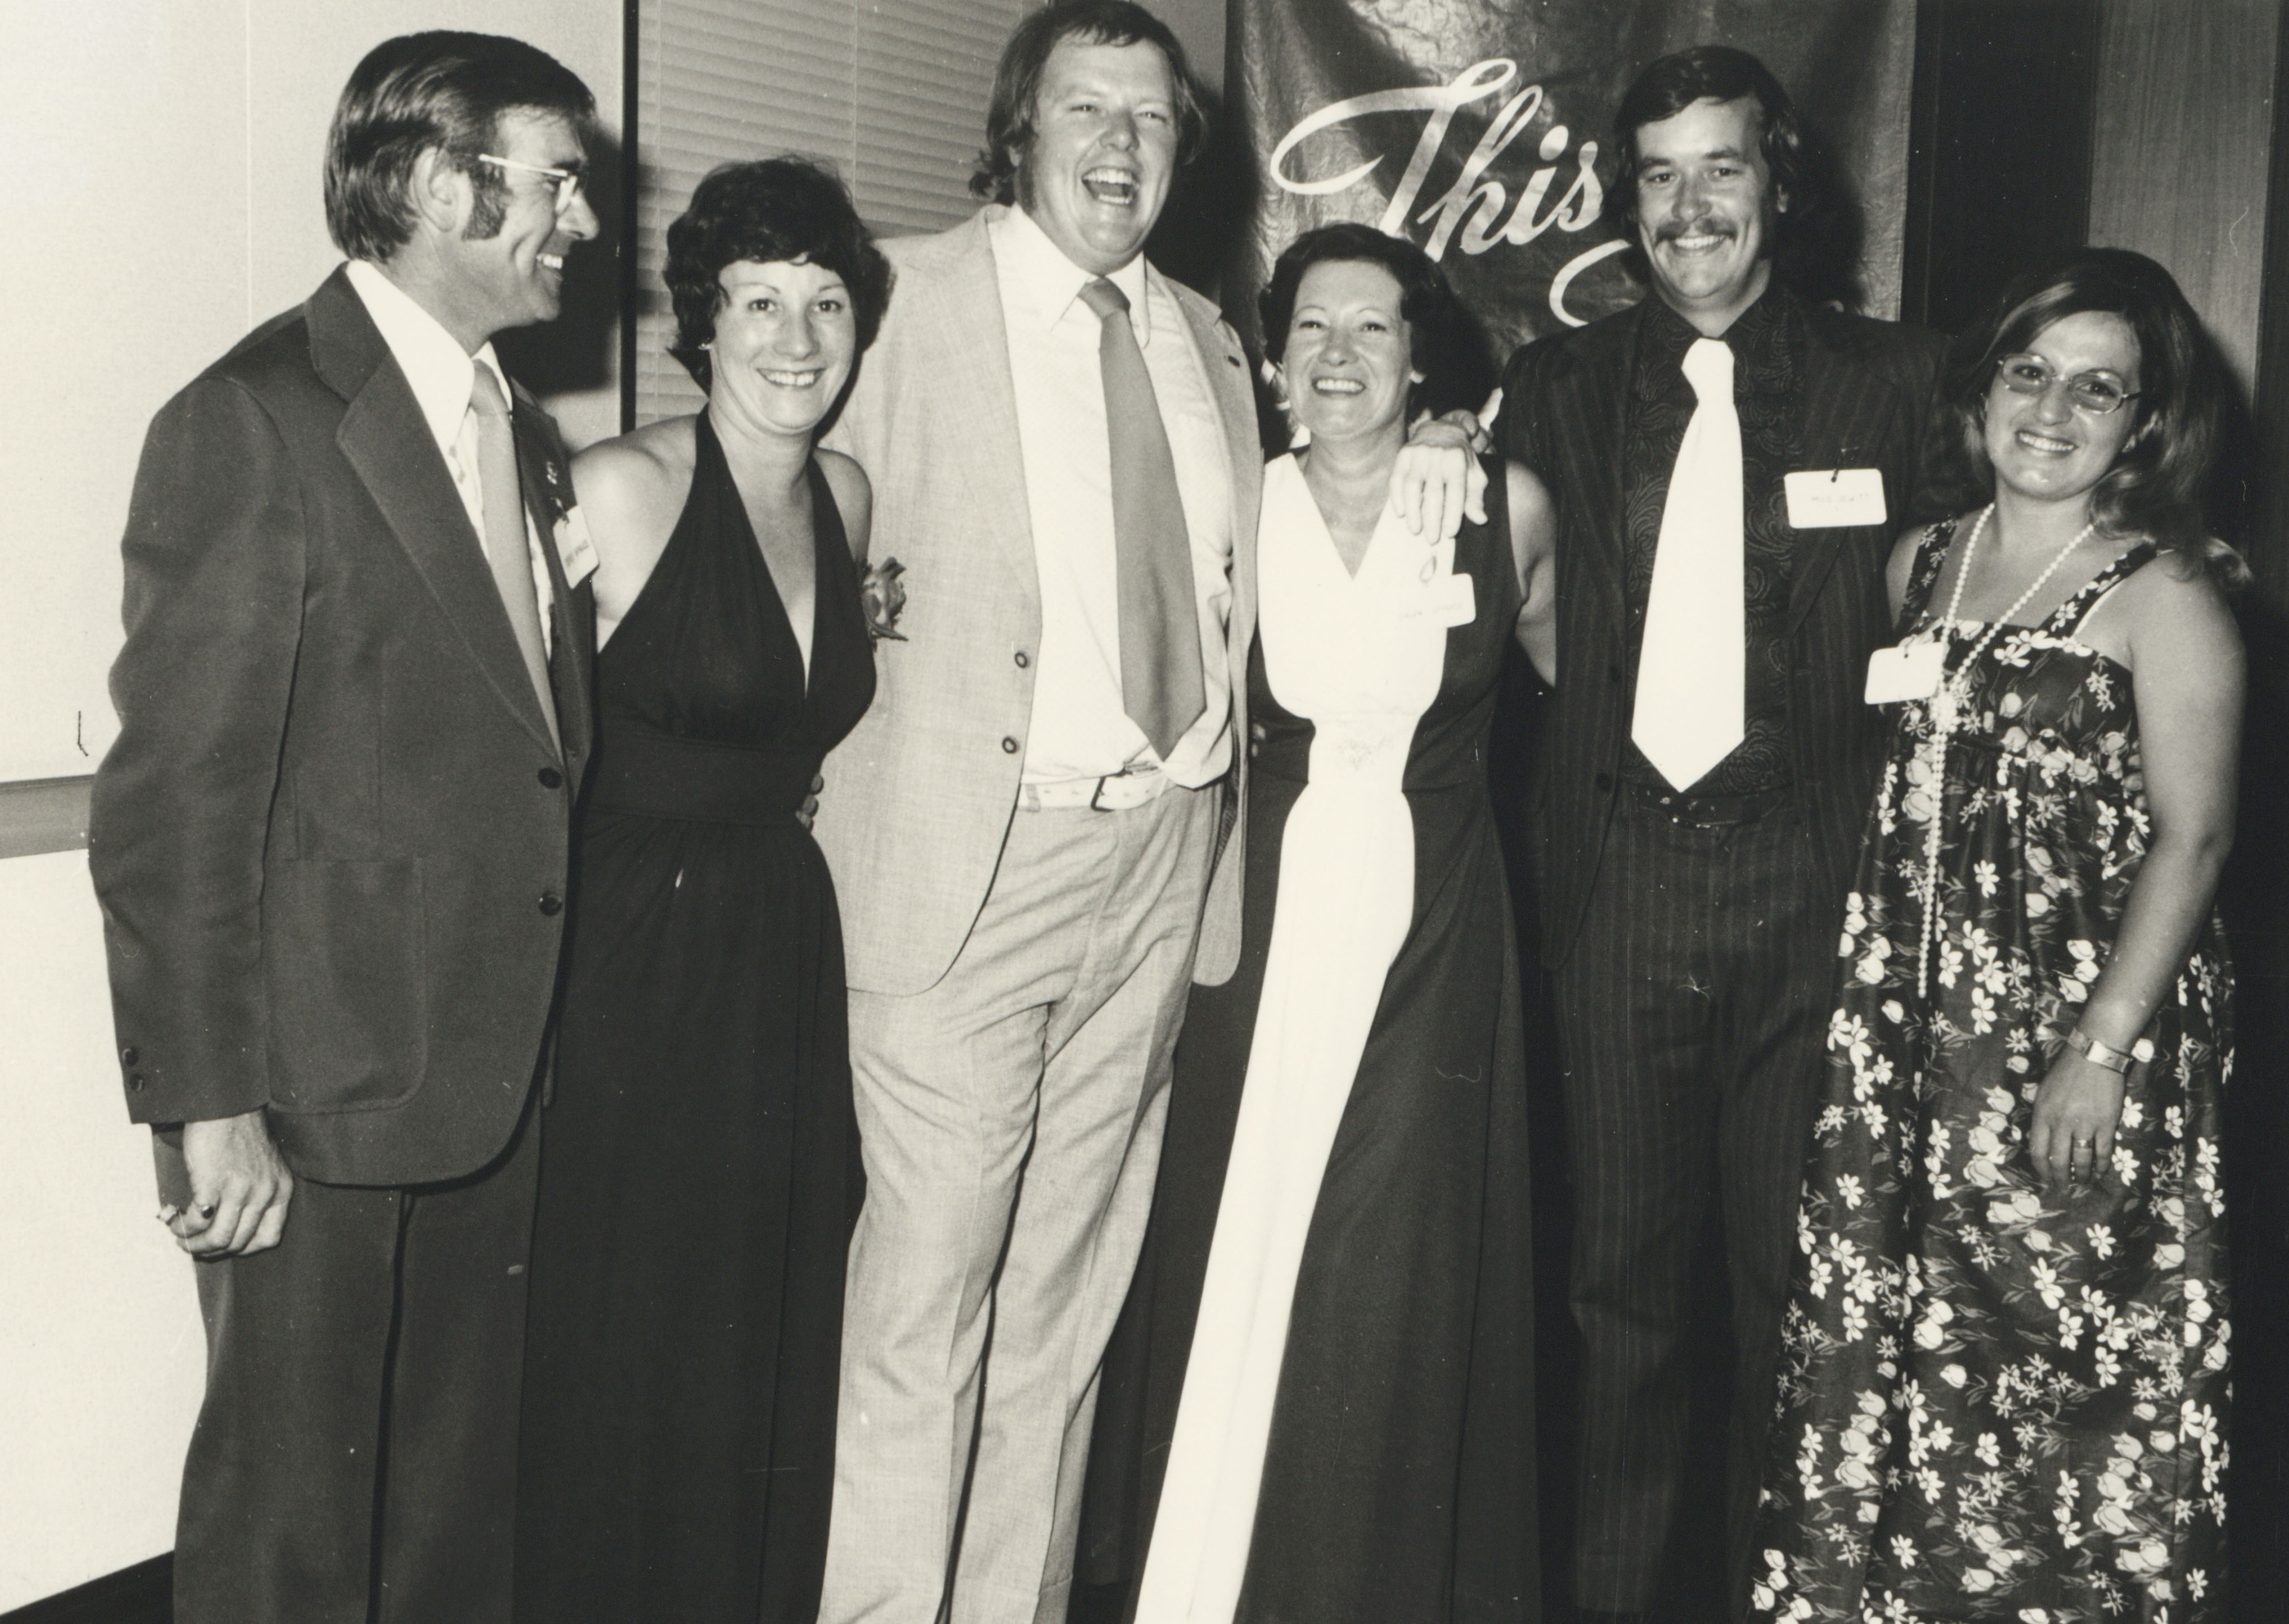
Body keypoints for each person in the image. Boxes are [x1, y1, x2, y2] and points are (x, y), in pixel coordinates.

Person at [807, 7, 1476, 1621]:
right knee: (927, 1300)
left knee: (1065, 1294)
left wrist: (1438, 439)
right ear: (1016, 130)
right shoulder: (896, 303)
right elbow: (777, 497)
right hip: (971, 866)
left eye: (1153, 119)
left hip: (1163, 863)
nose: (1118, 145)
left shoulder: (1201, 335)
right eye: (1083, 109)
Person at [85, 32, 600, 1624]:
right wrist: (207, 1102)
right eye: (556, 182)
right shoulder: (250, 420)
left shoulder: (513, 424)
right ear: (445, 185)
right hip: (314, 1097)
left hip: (481, 1070)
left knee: (450, 1527)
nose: (580, 221)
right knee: (294, 1537)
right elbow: (174, 797)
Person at [1486, 44, 1965, 1624]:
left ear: (1777, 182)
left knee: (1792, 1298)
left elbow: (1974, 585)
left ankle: (1791, 1600)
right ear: (1624, 201)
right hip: (1618, 883)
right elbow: (1526, 614)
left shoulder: (1895, 383)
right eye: (1654, 175)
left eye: (1719, 169)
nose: (1687, 208)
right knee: (1615, 1304)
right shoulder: (1552, 389)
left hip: (1811, 894)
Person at [1749, 247, 2240, 1623]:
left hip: (2077, 1034)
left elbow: (2190, 840)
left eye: (2097, 388)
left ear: (2141, 420)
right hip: (1905, 1040)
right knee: (1894, 1352)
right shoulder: (1916, 561)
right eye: (2029, 373)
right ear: (1980, 389)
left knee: (2060, 1361)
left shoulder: (2167, 589)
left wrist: (2099, 1048)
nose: (2053, 410)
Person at [1080, 221, 1557, 1624]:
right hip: (1263, 914)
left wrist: (1467, 441)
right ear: (1272, 359)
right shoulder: (1231, 497)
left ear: (1422, 358)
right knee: (1241, 1228)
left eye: (1374, 328)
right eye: (1311, 329)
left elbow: (1571, 682)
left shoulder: (1502, 503)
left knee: (1388, 1258)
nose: (1340, 355)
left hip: (1435, 918)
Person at [512, 156, 888, 1623]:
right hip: (630, 944)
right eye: (756, 303)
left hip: (776, 945)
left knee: (759, 1315)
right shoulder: (622, 483)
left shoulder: (849, 494)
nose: (794, 339)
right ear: (701, 324)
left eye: (824, 303)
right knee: (624, 1318)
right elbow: (513, 744)